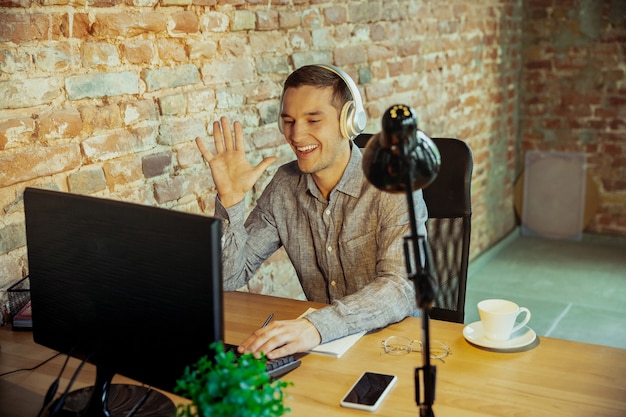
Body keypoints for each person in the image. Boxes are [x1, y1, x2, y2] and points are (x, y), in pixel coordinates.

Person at [196, 64, 428, 359]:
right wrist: (230, 201)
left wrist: (316, 327)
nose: (296, 134)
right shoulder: (284, 185)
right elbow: (228, 278)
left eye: (313, 120)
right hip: (326, 351)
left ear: (349, 123)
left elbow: (402, 286)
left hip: (396, 346)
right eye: (289, 121)